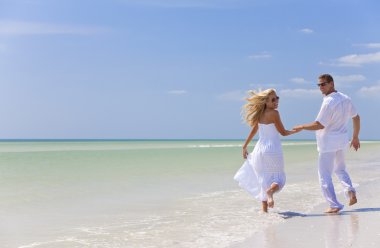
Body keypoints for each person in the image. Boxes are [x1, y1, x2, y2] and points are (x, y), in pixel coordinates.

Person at [294, 74, 360, 214]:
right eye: (319, 85)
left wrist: (302, 126)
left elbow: (319, 124)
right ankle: (350, 191)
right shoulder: (345, 98)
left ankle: (334, 204)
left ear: (331, 84)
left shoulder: (328, 102)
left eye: (323, 84)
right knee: (340, 169)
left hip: (328, 142)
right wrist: (355, 137)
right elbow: (356, 117)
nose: (320, 88)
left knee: (324, 174)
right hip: (342, 140)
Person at [234, 89, 299, 213]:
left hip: (259, 150)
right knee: (278, 178)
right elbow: (283, 133)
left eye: (277, 98)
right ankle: (270, 192)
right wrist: (298, 130)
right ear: (266, 102)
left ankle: (264, 212)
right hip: (272, 149)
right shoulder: (274, 113)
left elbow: (253, 131)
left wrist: (244, 146)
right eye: (273, 100)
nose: (276, 101)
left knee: (263, 179)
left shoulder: (260, 114)